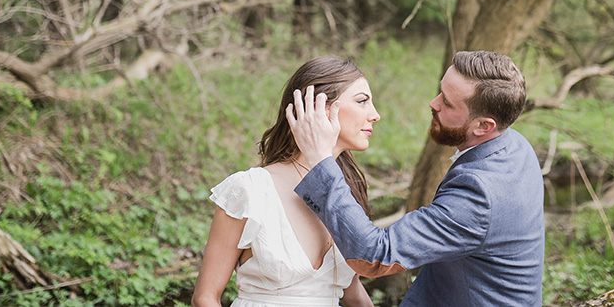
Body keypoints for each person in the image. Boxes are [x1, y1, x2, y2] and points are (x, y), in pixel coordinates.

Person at [287, 50, 544, 306]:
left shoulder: (479, 195)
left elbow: (376, 255)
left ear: (483, 126)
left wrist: (321, 159)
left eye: (448, 102)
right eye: (441, 91)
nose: (434, 103)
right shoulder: (514, 144)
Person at [191, 56, 380, 307]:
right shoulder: (249, 190)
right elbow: (205, 298)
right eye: (362, 101)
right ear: (320, 107)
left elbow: (350, 290)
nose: (375, 115)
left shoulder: (345, 194)